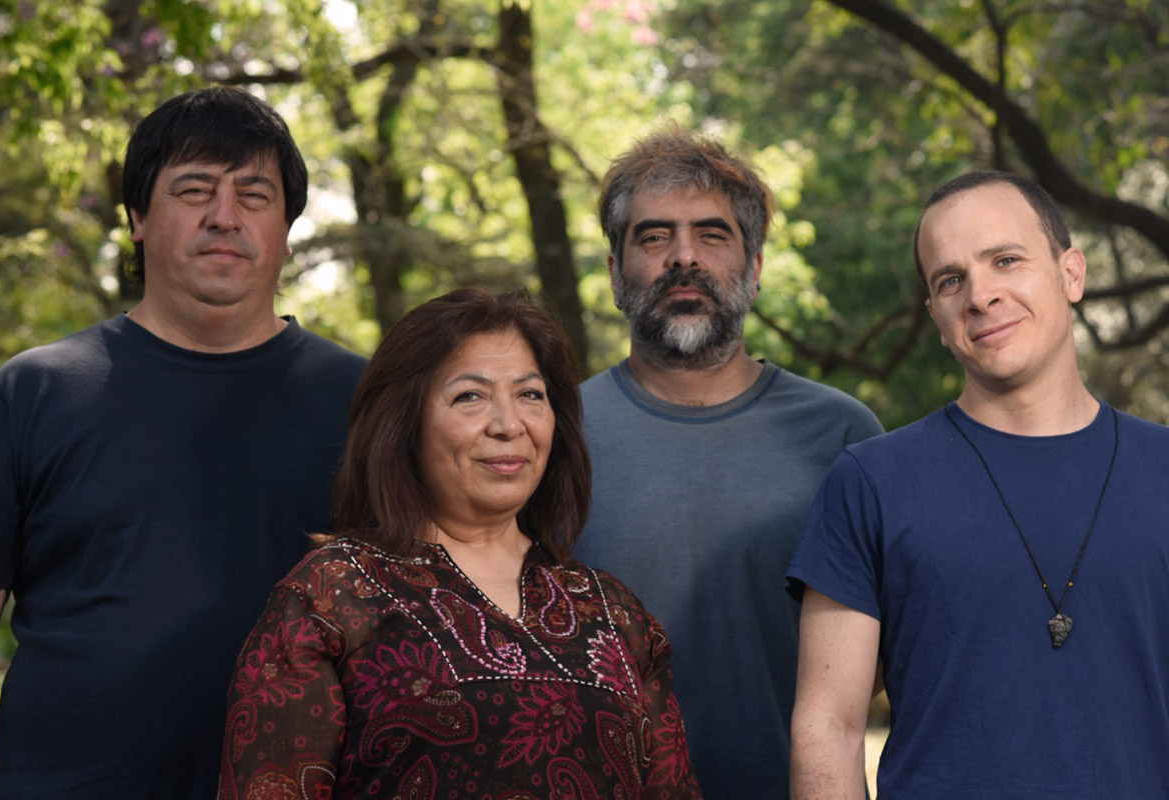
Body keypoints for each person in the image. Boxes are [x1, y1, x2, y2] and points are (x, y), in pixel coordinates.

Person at [0, 86, 368, 797]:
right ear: (137, 218)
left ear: (286, 228)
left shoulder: (367, 405)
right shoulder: (30, 394)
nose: (225, 216)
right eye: (193, 190)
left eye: (254, 195)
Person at [218, 287, 703, 800]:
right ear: (405, 424)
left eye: (530, 395)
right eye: (470, 396)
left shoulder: (615, 613)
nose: (508, 425)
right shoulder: (331, 595)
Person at [788, 170, 1169, 798]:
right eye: (950, 280)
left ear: (1072, 274)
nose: (980, 295)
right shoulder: (869, 483)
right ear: (937, 318)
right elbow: (830, 726)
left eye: (1006, 260)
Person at [572, 127, 883, 798]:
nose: (684, 256)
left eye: (712, 235)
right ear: (615, 272)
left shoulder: (842, 436)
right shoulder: (553, 435)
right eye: (654, 237)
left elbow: (882, 665)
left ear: (756, 268)